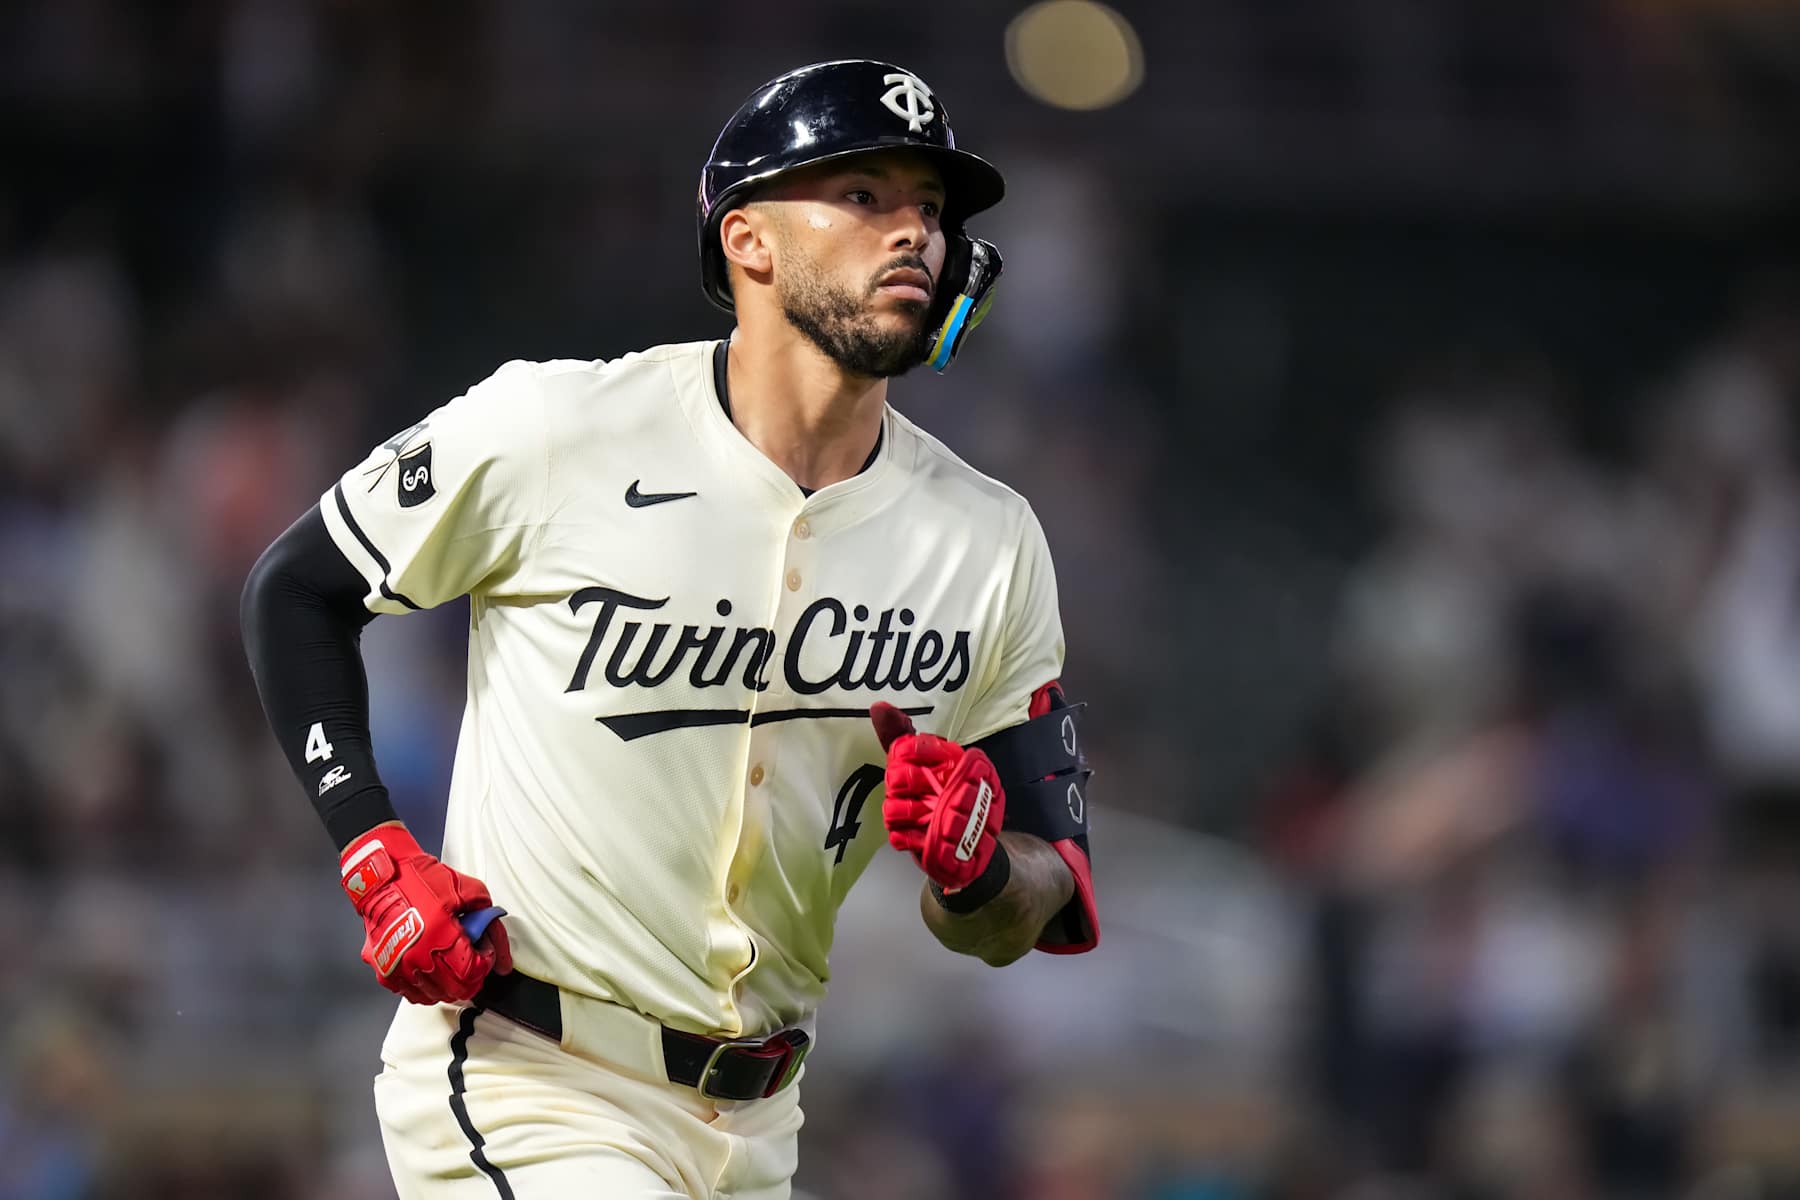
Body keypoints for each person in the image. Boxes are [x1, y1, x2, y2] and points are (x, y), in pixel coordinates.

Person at [241, 59, 1097, 1199]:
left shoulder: (992, 542)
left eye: (930, 209)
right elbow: (296, 588)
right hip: (529, 1077)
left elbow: (1034, 901)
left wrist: (979, 869)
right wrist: (370, 845)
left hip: (758, 1124)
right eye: (862, 196)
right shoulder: (555, 430)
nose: (914, 234)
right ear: (746, 241)